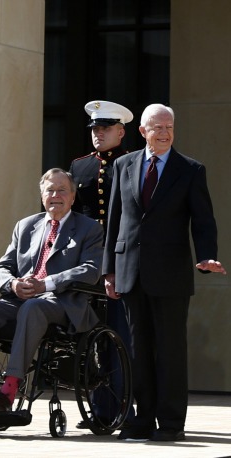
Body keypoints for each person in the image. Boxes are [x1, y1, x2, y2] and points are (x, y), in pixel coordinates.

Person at [104, 103, 226, 442]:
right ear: (143, 132)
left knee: (170, 350)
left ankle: (171, 423)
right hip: (130, 272)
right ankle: (141, 420)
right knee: (138, 350)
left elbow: (203, 220)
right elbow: (115, 221)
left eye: (169, 126)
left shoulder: (190, 169)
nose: (165, 132)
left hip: (171, 274)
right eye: (157, 127)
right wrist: (109, 270)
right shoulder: (123, 165)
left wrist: (207, 256)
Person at [0, 168, 104, 414]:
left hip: (61, 304)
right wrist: (12, 284)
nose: (55, 195)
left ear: (73, 197)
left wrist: (47, 283)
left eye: (62, 190)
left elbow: (91, 270)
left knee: (33, 307)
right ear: (42, 195)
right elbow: (1, 268)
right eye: (50, 190)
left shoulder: (89, 228)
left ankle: (8, 393)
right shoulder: (26, 226)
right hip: (20, 301)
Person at [68, 100, 134, 428]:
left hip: (122, 260)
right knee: (91, 334)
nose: (99, 134)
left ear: (121, 132)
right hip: (90, 260)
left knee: (120, 333)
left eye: (105, 129)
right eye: (95, 129)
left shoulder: (132, 163)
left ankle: (123, 408)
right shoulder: (79, 167)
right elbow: (75, 216)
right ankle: (99, 408)